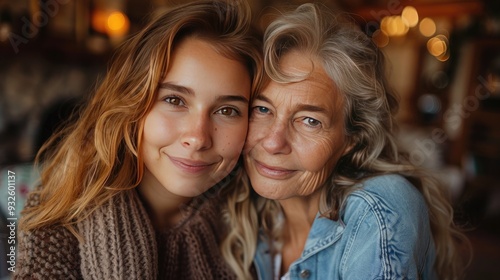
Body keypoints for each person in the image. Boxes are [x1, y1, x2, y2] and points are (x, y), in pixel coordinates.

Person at [15, 0, 262, 279]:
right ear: (132, 103)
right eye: (174, 100)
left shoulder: (259, 219)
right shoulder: (59, 222)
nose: (197, 137)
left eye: (227, 111)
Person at [222, 3, 469, 280]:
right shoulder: (241, 203)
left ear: (352, 137)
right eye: (262, 109)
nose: (273, 143)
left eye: (310, 121)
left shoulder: (378, 209)